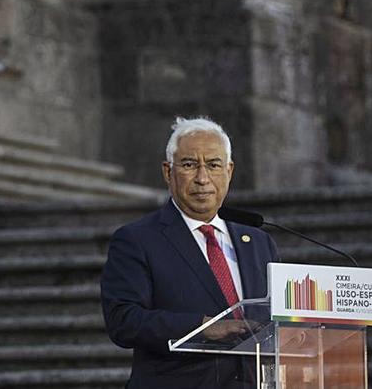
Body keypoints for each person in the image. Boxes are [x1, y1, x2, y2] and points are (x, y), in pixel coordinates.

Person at [100, 116, 279, 388]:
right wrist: (202, 326)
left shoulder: (258, 242)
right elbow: (123, 321)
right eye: (189, 164)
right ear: (167, 172)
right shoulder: (137, 240)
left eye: (213, 165)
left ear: (229, 171)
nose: (202, 178)